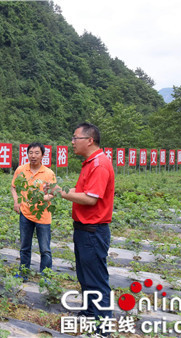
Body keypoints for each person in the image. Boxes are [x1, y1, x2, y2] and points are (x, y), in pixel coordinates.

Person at [48, 122, 115, 332]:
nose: (72, 142)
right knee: (85, 275)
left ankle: (103, 329)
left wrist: (60, 192)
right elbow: (81, 190)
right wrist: (56, 191)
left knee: (96, 279)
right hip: (84, 230)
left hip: (93, 231)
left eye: (75, 138)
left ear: (89, 140)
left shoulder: (100, 164)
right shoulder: (90, 162)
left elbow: (90, 199)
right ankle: (89, 313)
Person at [10, 142, 56, 282]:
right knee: (25, 246)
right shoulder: (21, 170)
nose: (33, 155)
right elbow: (13, 187)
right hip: (25, 214)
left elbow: (53, 193)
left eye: (37, 153)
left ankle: (45, 277)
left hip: (43, 216)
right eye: (31, 152)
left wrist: (43, 197)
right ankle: (23, 274)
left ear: (42, 155)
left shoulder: (48, 173)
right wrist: (16, 201)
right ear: (27, 154)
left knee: (45, 249)